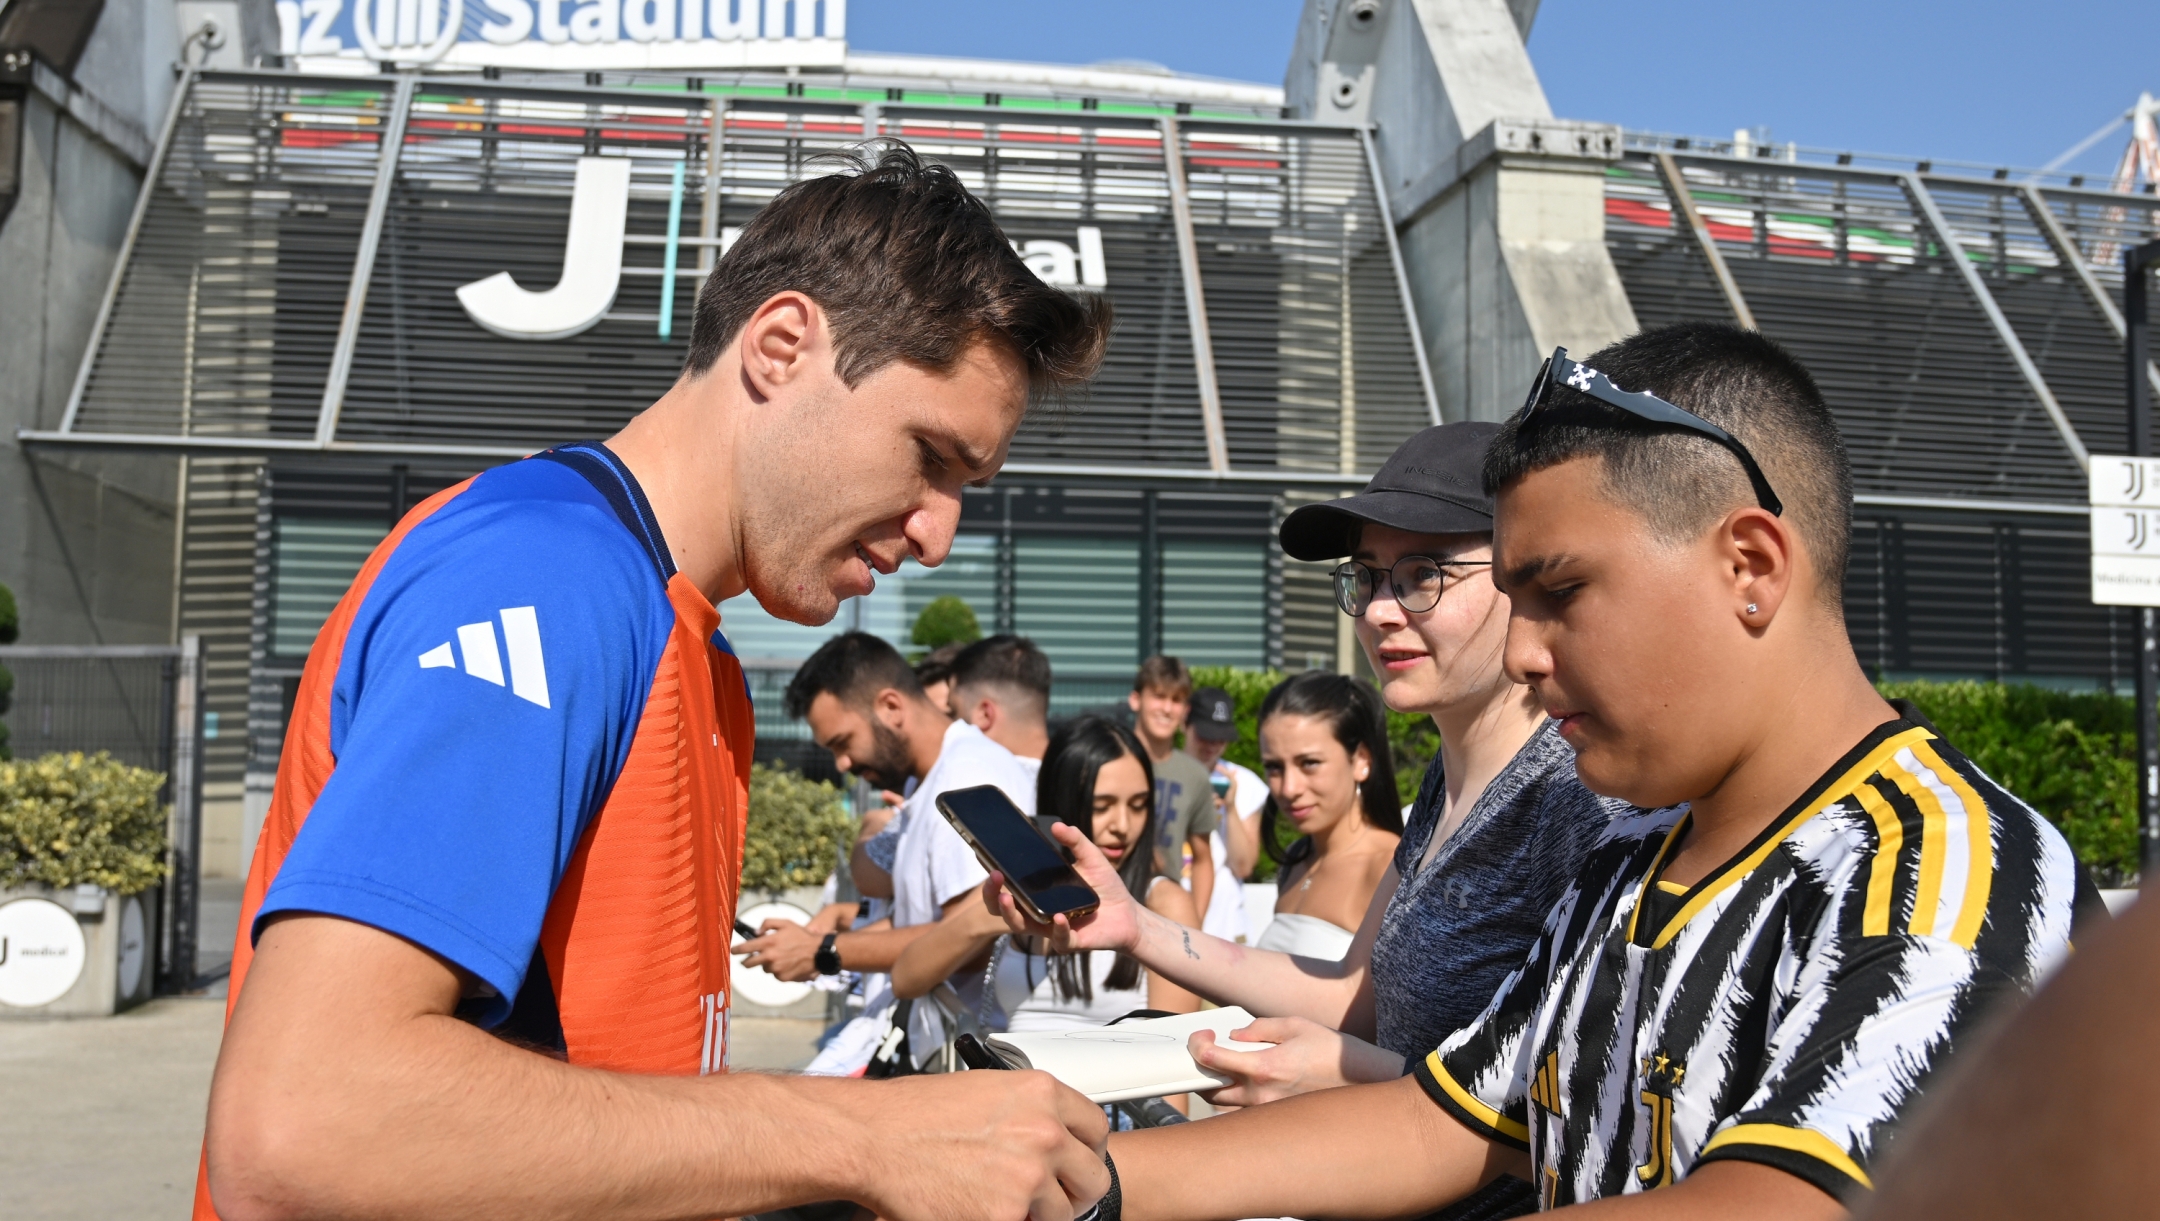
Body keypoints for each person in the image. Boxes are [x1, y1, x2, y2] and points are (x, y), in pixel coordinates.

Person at [200, 143, 1117, 1221]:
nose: (937, 535)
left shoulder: (687, 642)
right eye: (929, 457)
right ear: (781, 346)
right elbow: (303, 1122)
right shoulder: (547, 580)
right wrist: (859, 1135)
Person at [1009, 323, 2087, 1219]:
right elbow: (1449, 1116)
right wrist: (1084, 1180)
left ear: (1750, 567)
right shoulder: (1629, 864)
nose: (1526, 652)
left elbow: (1776, 1202)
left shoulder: (1948, 873)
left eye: (1561, 593)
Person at [986, 421, 1627, 1203]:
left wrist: (1347, 1072)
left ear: (1521, 573)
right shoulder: (1445, 787)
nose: (1383, 610)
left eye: (1423, 574)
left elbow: (1598, 1114)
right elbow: (1355, 997)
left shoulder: (1577, 794)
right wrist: (1136, 927)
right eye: (1367, 576)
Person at [764, 629, 1037, 1066]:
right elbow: (921, 918)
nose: (842, 764)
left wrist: (825, 952)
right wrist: (821, 943)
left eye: (842, 743)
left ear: (891, 707)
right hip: (930, 1046)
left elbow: (969, 939)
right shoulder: (932, 779)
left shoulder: (967, 777)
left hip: (966, 1056)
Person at [890, 716, 1199, 1030]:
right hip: (1010, 1075)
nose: (1122, 825)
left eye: (1138, 805)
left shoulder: (1163, 901)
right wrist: (986, 920)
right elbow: (905, 979)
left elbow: (1173, 1042)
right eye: (1102, 806)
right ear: (1062, 799)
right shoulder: (1022, 882)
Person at [1248, 673, 1402, 962]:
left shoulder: (1388, 867)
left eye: (1309, 763)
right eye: (1274, 767)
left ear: (1361, 761)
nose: (1289, 788)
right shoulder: (1297, 859)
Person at [1128, 656, 1218, 918]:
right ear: (1136, 700)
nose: (1167, 708)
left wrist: (1194, 920)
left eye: (1176, 700)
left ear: (1185, 710)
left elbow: (1203, 858)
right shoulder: (1109, 759)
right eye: (1158, 696)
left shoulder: (1194, 775)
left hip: (1165, 907)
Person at [1182, 686, 1263, 943]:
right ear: (1186, 724)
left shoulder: (1245, 783)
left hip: (1226, 929)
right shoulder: (1163, 775)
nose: (1213, 745)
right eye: (1206, 735)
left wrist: (1230, 808)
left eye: (1221, 737)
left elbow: (1243, 866)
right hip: (1172, 918)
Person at [947, 634, 1053, 770]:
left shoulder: (966, 782)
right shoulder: (1081, 781)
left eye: (953, 713)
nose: (949, 726)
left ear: (985, 714)